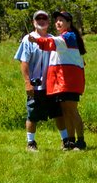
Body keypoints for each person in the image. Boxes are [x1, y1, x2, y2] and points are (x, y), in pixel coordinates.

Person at [29, 10, 87, 151]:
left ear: (69, 23)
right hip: (63, 82)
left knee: (72, 111)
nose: (58, 23)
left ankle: (81, 141)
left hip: (69, 82)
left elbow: (53, 42)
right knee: (66, 112)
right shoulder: (65, 37)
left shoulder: (68, 37)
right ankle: (71, 141)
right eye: (57, 20)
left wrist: (37, 40)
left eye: (62, 20)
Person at [15, 10, 67, 151]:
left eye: (44, 18)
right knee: (32, 114)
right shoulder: (28, 39)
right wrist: (27, 82)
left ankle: (65, 141)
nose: (41, 21)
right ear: (33, 22)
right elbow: (24, 62)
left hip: (52, 85)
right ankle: (31, 143)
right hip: (35, 85)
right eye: (38, 19)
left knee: (58, 113)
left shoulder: (53, 39)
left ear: (48, 22)